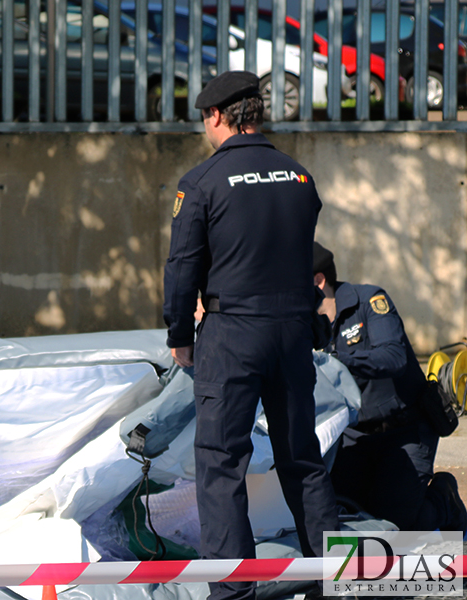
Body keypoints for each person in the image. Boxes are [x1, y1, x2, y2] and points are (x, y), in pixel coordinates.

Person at [162, 71, 338, 600]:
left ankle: (235, 592)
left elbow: (181, 267)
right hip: (290, 334)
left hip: (231, 334)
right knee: (302, 459)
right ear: (256, 114)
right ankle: (334, 581)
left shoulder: (202, 181)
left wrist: (179, 332)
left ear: (217, 116)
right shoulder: (299, 176)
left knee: (221, 465)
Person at [313, 242, 467, 532]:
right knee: (344, 516)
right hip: (352, 438)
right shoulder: (304, 322)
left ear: (318, 281)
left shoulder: (369, 301)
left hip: (404, 431)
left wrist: (337, 359)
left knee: (397, 527)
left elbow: (393, 357)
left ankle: (443, 502)